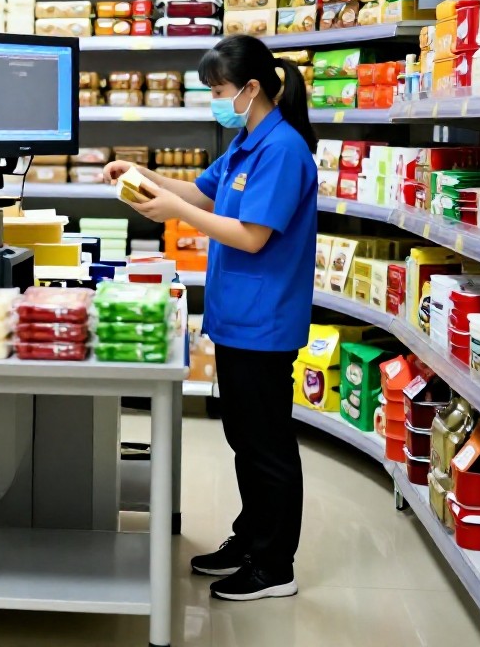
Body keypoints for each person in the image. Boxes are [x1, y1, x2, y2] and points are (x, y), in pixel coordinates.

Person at [102, 34, 317, 602]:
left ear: (250, 88)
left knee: (266, 443)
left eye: (218, 91)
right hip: (237, 318)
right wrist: (144, 178)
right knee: (243, 434)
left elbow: (250, 236)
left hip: (265, 323)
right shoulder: (247, 142)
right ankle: (249, 540)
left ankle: (276, 567)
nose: (214, 102)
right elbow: (198, 192)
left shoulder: (283, 151)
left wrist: (177, 212)